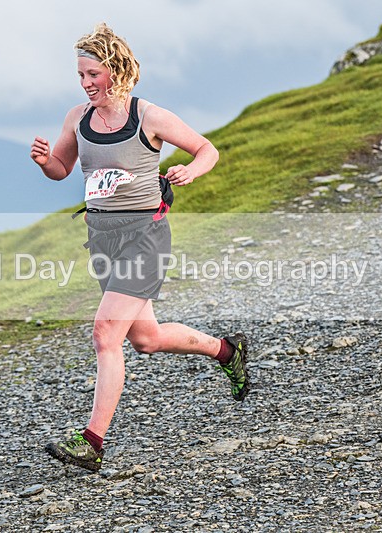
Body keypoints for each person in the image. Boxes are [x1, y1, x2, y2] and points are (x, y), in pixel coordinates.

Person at [30, 22, 250, 472]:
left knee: (105, 334)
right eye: (81, 77)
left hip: (145, 236)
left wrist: (192, 170)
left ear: (116, 70)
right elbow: (62, 169)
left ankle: (92, 442)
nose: (87, 84)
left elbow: (207, 149)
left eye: (93, 75)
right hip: (101, 238)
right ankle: (227, 351)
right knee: (145, 339)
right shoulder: (78, 118)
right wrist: (44, 162)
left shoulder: (148, 117)